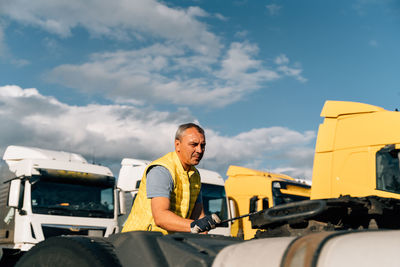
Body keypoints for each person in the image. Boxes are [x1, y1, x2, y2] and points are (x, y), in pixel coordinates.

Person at [122, 123, 220, 234]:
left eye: (203, 145)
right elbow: (161, 217)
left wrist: (204, 227)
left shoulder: (195, 175)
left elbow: (198, 218)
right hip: (140, 240)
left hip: (168, 242)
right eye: (194, 144)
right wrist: (194, 225)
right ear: (177, 145)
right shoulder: (162, 170)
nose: (200, 150)